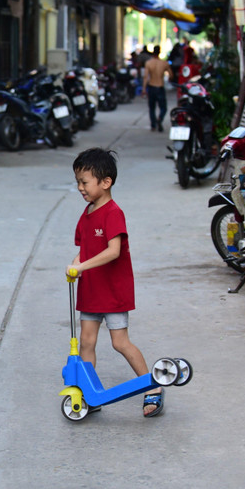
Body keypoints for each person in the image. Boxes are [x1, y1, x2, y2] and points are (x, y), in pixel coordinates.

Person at [65, 148, 164, 417]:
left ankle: (153, 386)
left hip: (112, 291)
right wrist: (76, 265)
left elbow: (113, 251)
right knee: (86, 342)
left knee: (120, 343)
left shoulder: (112, 213)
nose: (80, 188)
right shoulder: (86, 213)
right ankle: (88, 392)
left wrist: (81, 266)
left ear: (105, 182)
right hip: (91, 290)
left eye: (84, 182)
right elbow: (84, 249)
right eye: (78, 182)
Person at [141, 45, 174, 132]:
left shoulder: (148, 63)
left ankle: (153, 125)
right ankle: (160, 118)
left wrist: (144, 89)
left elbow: (145, 77)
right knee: (163, 107)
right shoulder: (164, 63)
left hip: (151, 86)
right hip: (160, 87)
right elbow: (171, 75)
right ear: (159, 52)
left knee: (152, 108)